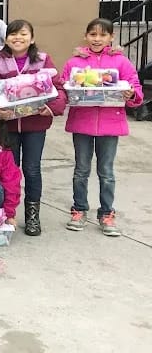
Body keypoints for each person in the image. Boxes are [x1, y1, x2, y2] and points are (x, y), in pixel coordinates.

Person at [61, 18, 144, 236]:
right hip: (82, 123)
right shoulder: (74, 63)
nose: (97, 39)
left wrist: (131, 94)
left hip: (110, 124)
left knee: (106, 172)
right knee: (81, 170)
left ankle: (107, 213)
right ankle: (79, 209)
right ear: (86, 36)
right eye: (93, 34)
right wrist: (69, 92)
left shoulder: (121, 62)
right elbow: (64, 86)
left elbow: (135, 87)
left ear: (111, 37)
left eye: (102, 35)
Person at [0, 19, 66, 236]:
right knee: (8, 171)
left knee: (31, 169)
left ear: (32, 38)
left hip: (35, 126)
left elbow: (57, 88)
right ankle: (4, 214)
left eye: (23, 34)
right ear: (6, 38)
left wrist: (50, 108)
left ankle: (32, 215)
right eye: (13, 34)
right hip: (7, 126)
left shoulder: (43, 60)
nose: (17, 38)